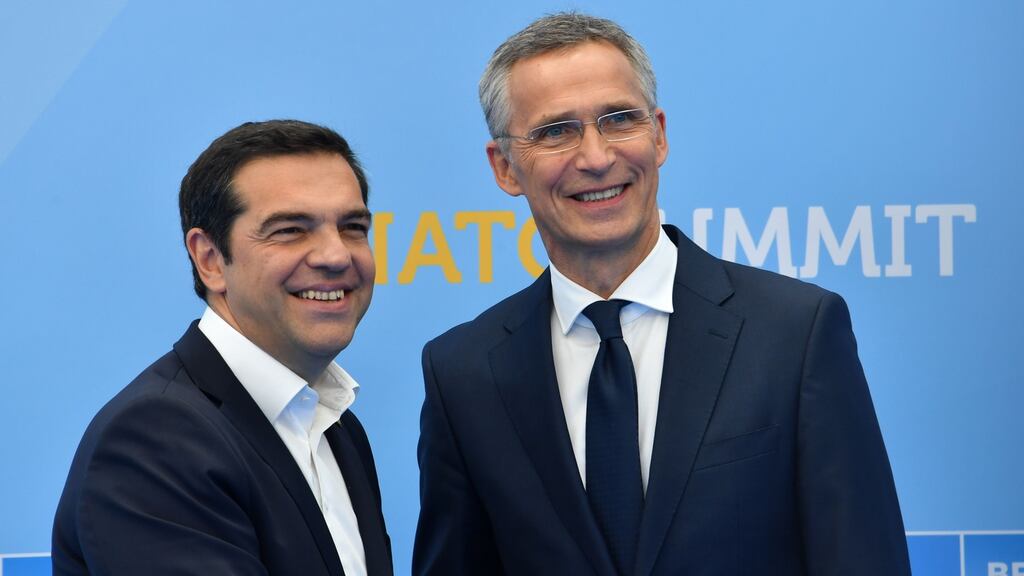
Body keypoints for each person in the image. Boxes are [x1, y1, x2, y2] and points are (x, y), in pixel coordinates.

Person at [414, 12, 911, 576]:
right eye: (556, 131)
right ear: (504, 167)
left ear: (659, 135)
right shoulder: (463, 373)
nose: (596, 157)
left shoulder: (796, 333)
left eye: (619, 119)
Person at [53, 120, 392, 576]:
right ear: (210, 259)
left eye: (353, 227)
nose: (336, 256)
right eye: (290, 230)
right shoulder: (155, 439)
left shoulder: (337, 427)